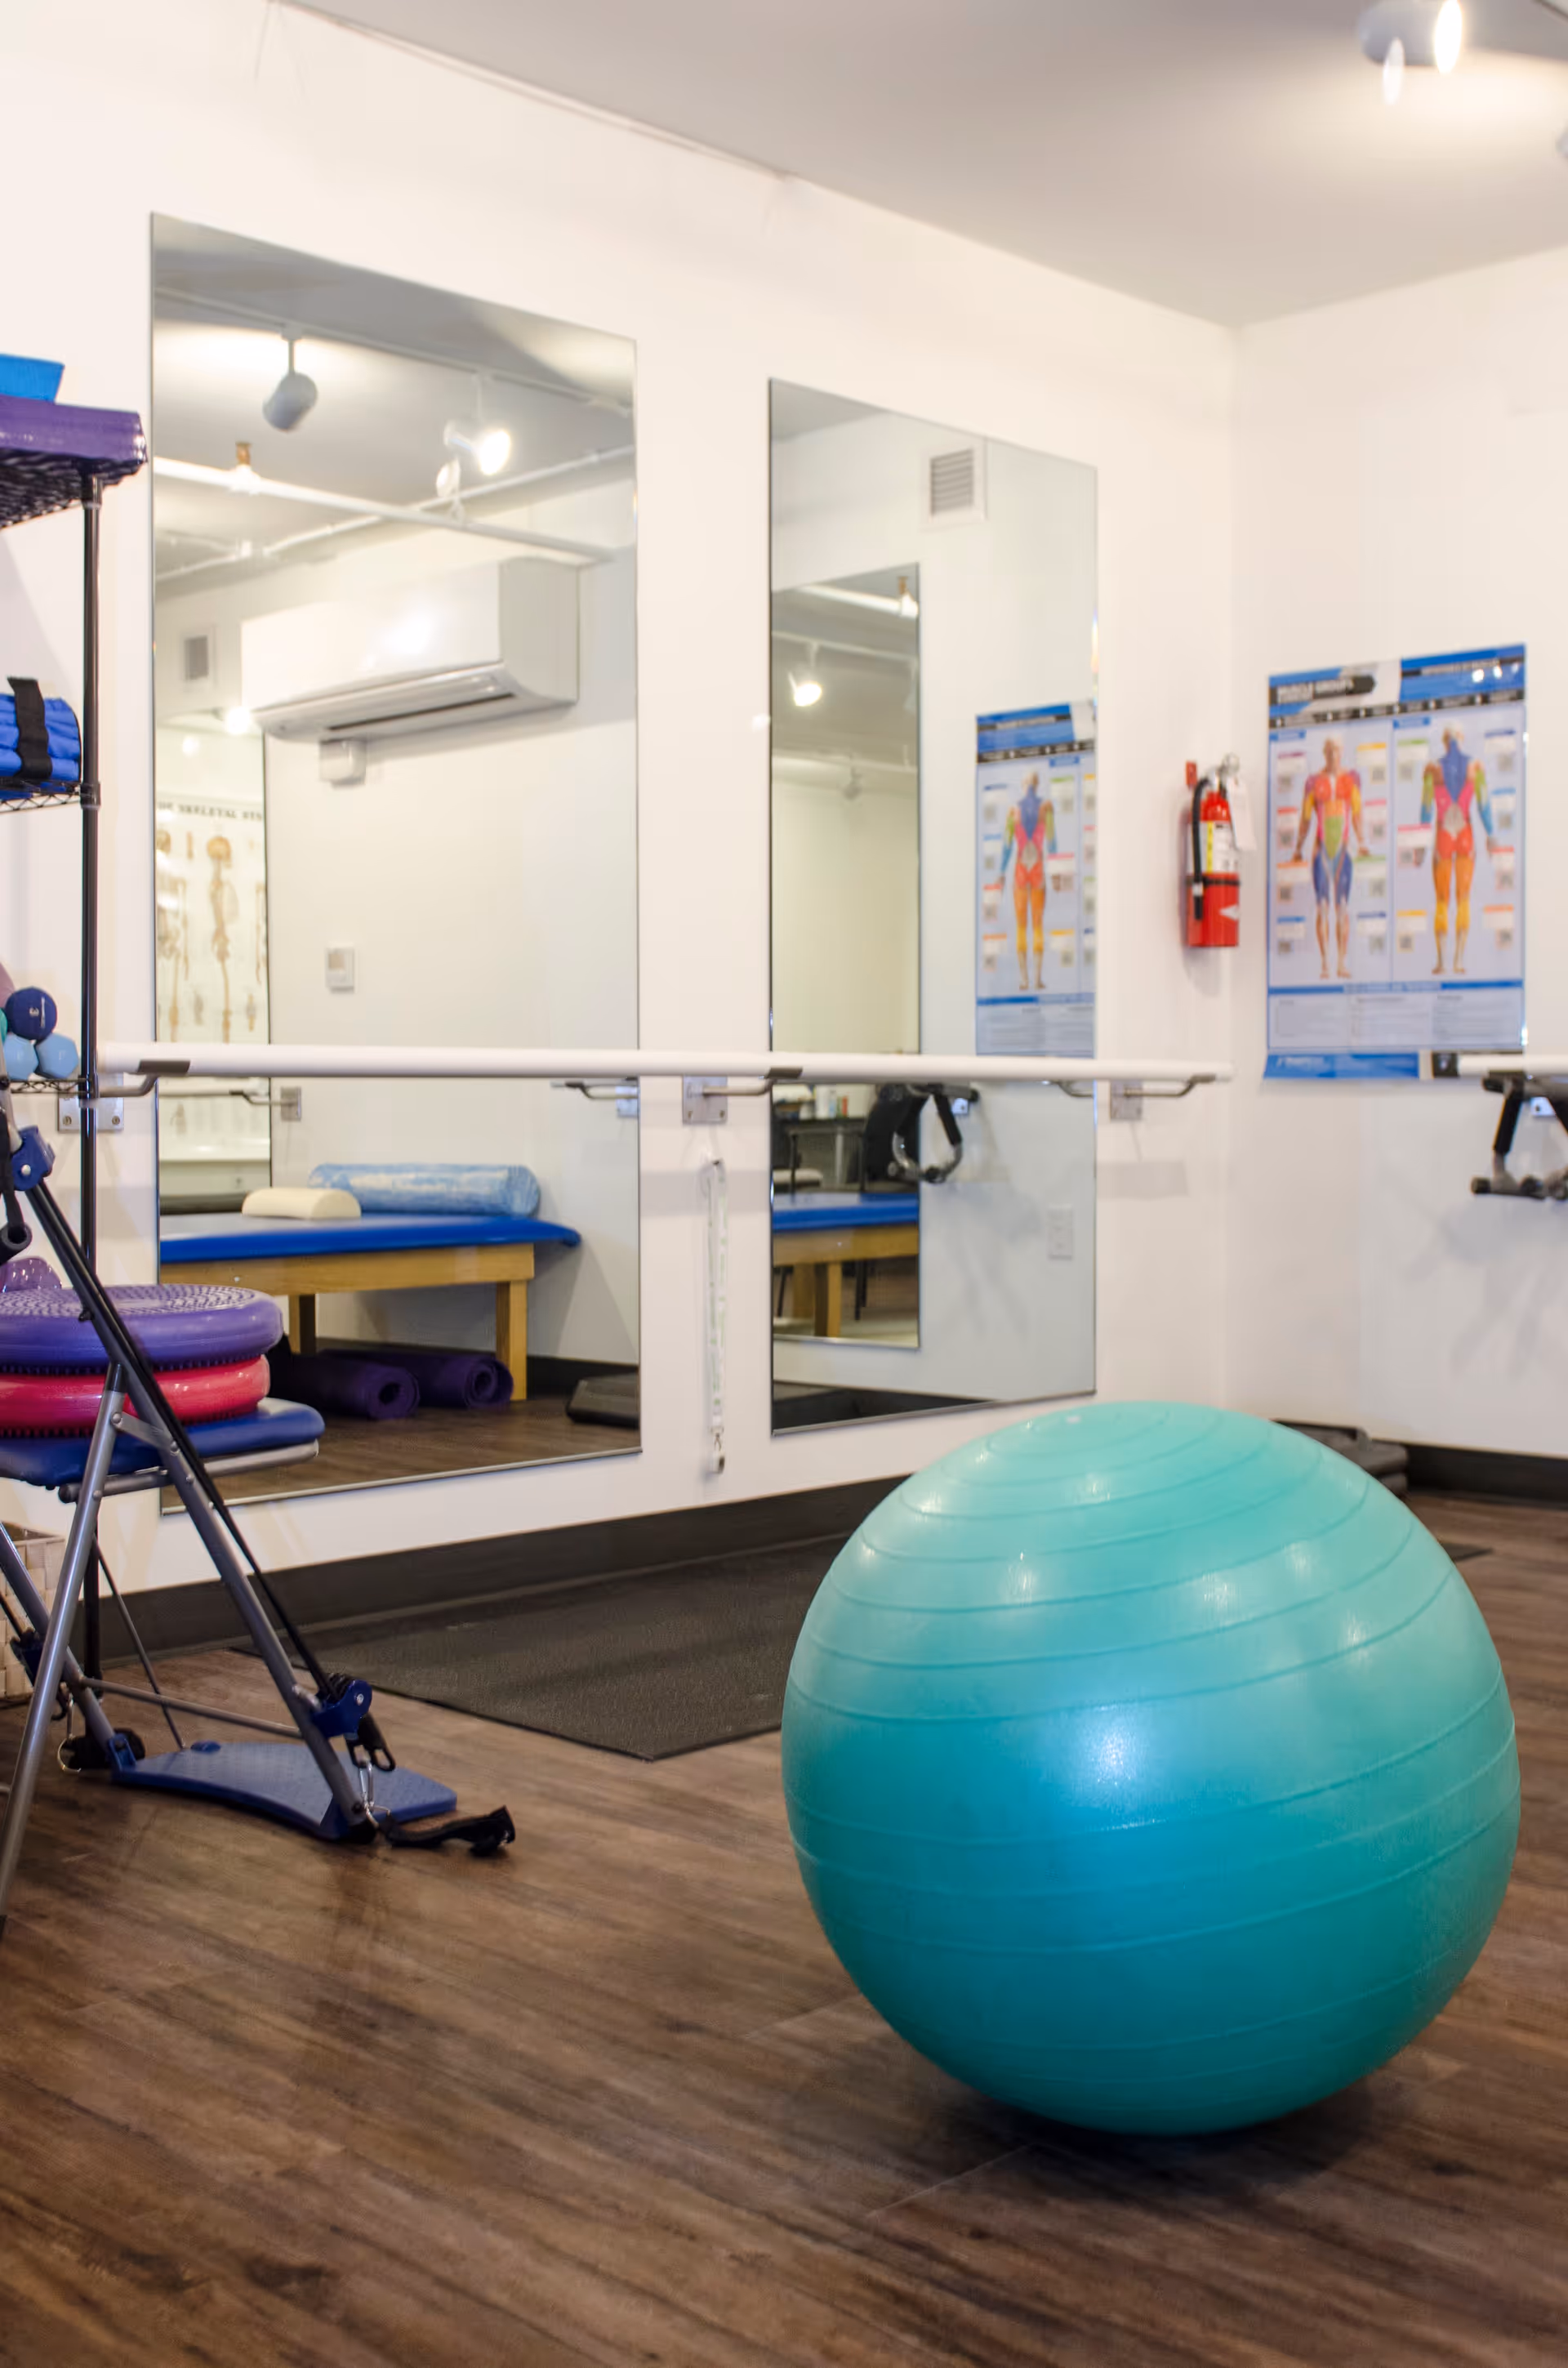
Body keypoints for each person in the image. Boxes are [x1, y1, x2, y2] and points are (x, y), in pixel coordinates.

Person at [1421, 726, 1494, 976]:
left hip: (1443, 833)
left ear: (1444, 741)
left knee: (1442, 899)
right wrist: (1491, 835)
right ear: (1461, 738)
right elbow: (1483, 805)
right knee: (1463, 898)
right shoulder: (1475, 768)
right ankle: (1458, 962)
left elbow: (1425, 810)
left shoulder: (1432, 769)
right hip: (1465, 833)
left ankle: (1442, 963)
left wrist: (1420, 843)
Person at [1292, 735, 1367, 981]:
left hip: (1343, 852)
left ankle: (1342, 963)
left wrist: (1363, 841)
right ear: (1324, 753)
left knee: (1342, 907)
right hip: (1321, 851)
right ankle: (1325, 963)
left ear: (1342, 751)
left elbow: (1356, 815)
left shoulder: (1351, 780)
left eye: (1337, 750)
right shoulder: (1314, 783)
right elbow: (1305, 818)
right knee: (1323, 908)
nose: (1333, 755)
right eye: (1329, 750)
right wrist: (1298, 847)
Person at [996, 772, 1056, 992]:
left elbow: (1006, 845)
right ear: (1037, 784)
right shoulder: (1046, 808)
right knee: (1036, 925)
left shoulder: (1014, 811)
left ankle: (1025, 980)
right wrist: (1057, 873)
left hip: (1021, 870)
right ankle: (1036, 979)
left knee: (1022, 925)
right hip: (1037, 869)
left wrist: (1002, 872)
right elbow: (1052, 840)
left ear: (1023, 784)